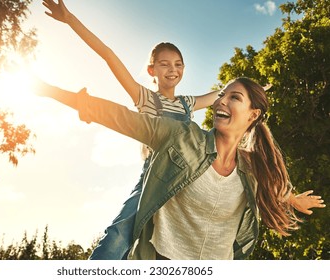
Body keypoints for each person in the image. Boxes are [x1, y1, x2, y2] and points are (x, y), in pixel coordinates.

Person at [34, 76, 326, 260]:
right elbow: (120, 117)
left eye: (234, 97)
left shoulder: (251, 166)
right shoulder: (182, 136)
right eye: (222, 94)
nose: (221, 101)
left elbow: (272, 186)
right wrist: (56, 93)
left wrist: (291, 198)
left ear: (253, 114)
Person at [42, 0, 219, 259]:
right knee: (118, 236)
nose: (173, 69)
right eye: (165, 64)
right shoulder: (146, 98)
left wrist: (251, 89)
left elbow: (219, 95)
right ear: (152, 70)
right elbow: (108, 55)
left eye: (178, 64)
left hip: (185, 183)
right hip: (152, 180)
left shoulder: (187, 103)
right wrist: (70, 20)